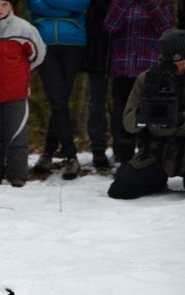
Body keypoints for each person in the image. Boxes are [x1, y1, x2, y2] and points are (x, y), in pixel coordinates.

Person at [0, 0, 46, 187]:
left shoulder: (24, 29)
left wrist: (21, 74)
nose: (0, 8)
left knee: (16, 136)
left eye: (5, 4)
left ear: (11, 6)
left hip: (16, 93)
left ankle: (17, 175)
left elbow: (38, 54)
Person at [108, 29, 185, 199]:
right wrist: (149, 116)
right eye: (179, 59)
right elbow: (128, 121)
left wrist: (179, 121)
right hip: (155, 153)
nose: (182, 65)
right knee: (120, 189)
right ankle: (156, 179)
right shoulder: (147, 79)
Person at [104, 0, 173, 165]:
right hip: (123, 66)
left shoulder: (160, 2)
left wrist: (149, 3)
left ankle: (149, 156)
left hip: (150, 68)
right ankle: (123, 158)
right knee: (123, 112)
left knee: (150, 113)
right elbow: (109, 26)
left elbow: (166, 29)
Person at [29, 0, 88, 180]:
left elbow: (80, 5)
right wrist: (66, 7)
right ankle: (71, 156)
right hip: (44, 43)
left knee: (60, 101)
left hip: (74, 43)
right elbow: (35, 5)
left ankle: (48, 153)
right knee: (57, 100)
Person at [82, 0, 112, 171]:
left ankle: (123, 149)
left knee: (122, 100)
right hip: (96, 46)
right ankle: (98, 148)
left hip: (124, 46)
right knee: (97, 100)